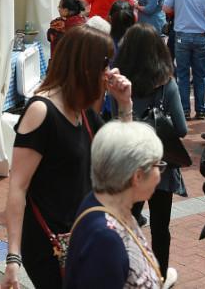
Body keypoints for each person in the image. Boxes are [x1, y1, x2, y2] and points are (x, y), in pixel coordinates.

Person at [1, 22, 133, 289]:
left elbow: (120, 156)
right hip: (50, 245)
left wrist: (125, 105)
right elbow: (18, 186)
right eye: (104, 64)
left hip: (82, 235)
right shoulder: (42, 111)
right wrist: (13, 258)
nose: (108, 73)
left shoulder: (80, 109)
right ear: (85, 66)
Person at [115, 24, 186, 288]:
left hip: (126, 167)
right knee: (160, 228)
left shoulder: (118, 82)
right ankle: (159, 276)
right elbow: (181, 128)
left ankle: (126, 273)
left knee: (124, 223)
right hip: (160, 167)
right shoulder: (167, 84)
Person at [63, 122, 165, 289]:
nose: (160, 174)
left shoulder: (102, 201)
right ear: (137, 176)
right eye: (158, 166)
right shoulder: (105, 240)